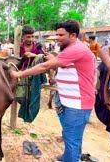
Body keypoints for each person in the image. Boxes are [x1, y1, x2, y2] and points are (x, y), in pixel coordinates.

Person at [11, 20, 96, 162]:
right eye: (57, 34)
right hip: (68, 99)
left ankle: (70, 158)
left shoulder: (76, 49)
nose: (57, 38)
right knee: (71, 135)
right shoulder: (69, 50)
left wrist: (18, 74)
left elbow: (44, 66)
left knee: (72, 138)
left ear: (73, 35)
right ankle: (68, 156)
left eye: (61, 35)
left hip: (77, 103)